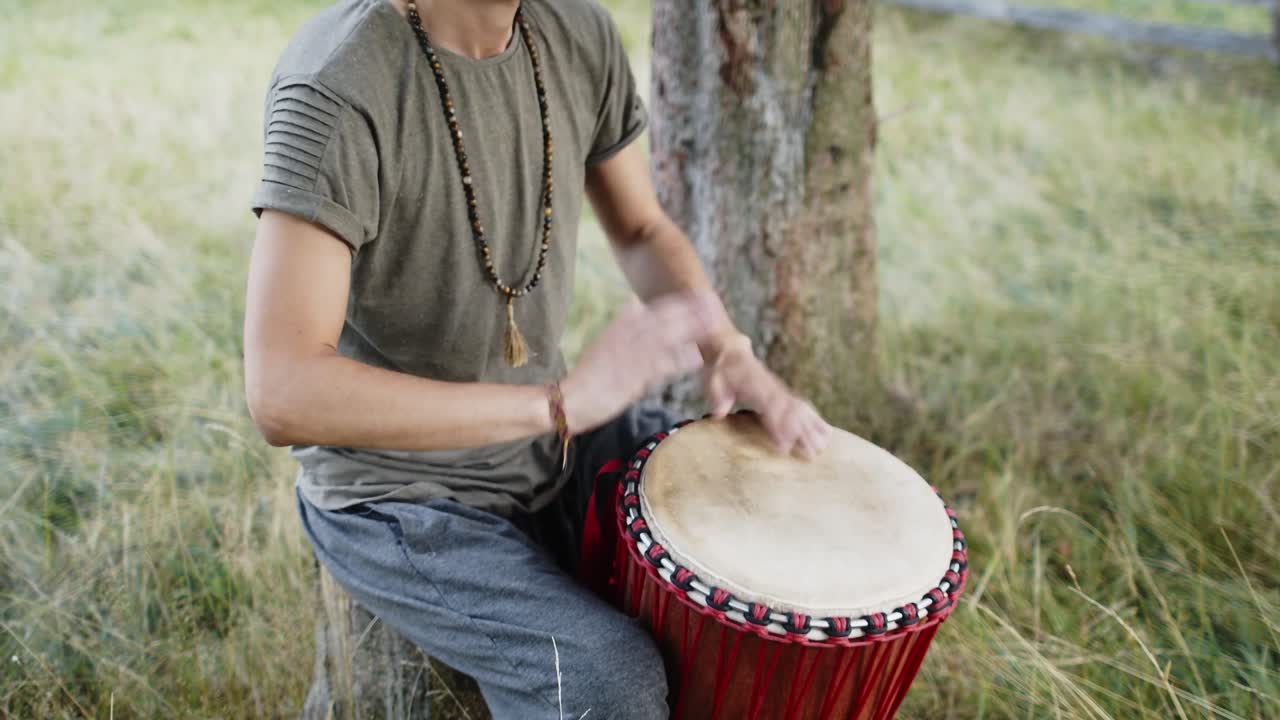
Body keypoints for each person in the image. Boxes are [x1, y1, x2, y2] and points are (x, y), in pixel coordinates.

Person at [242, 0, 831, 716]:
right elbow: (283, 389)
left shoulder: (574, 30)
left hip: (549, 446)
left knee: (762, 519)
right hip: (397, 494)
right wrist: (557, 404)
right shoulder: (337, 82)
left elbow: (641, 228)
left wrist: (728, 347)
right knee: (608, 680)